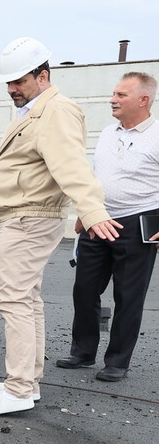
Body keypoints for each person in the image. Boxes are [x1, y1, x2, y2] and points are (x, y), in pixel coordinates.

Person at [0, 37, 121, 416]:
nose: (11, 89)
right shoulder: (36, 109)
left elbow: (71, 164)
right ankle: (27, 381)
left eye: (18, 81)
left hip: (30, 217)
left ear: (43, 75)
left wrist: (93, 209)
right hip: (24, 215)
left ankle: (19, 388)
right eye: (8, 82)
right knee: (28, 299)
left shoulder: (56, 111)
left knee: (14, 300)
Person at [55, 72, 159, 382]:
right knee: (84, 289)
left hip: (138, 222)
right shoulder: (107, 133)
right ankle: (83, 351)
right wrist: (83, 213)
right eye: (114, 93)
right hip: (97, 220)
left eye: (121, 95)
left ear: (144, 99)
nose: (112, 99)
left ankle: (117, 361)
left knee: (128, 296)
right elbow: (96, 175)